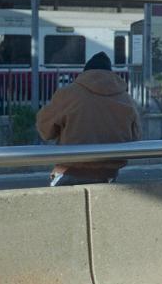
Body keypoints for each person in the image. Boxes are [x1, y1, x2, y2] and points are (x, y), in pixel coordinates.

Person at [36, 51, 141, 186]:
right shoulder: (126, 99)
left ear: (85, 73)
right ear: (111, 74)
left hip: (71, 171)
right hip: (109, 176)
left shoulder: (69, 94)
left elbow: (45, 130)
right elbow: (136, 138)